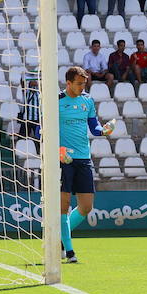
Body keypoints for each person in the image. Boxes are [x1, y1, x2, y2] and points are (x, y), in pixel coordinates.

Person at [57, 66, 115, 264]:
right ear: (69, 83)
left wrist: (104, 130)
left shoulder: (87, 101)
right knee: (63, 206)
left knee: (86, 206)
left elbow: (94, 126)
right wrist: (58, 150)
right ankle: (69, 250)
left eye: (85, 83)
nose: (83, 87)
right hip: (63, 159)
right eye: (79, 84)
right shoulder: (57, 101)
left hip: (83, 158)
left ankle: (60, 240)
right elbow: (41, 130)